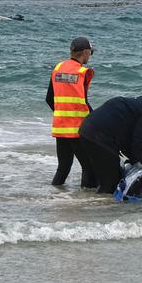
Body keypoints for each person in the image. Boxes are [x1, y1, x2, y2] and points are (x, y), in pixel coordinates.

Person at [78, 91, 142, 194]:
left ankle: (84, 199)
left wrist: (135, 159)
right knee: (112, 179)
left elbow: (129, 139)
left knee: (91, 174)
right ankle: (102, 203)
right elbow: (139, 143)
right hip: (100, 136)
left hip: (85, 129)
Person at [46, 36, 95, 187]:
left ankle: (54, 195)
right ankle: (85, 198)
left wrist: (62, 114)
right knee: (89, 167)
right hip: (77, 129)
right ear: (85, 52)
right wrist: (95, 119)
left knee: (63, 168)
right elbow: (83, 101)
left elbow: (49, 99)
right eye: (91, 53)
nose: (90, 56)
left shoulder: (58, 68)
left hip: (61, 127)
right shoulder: (82, 72)